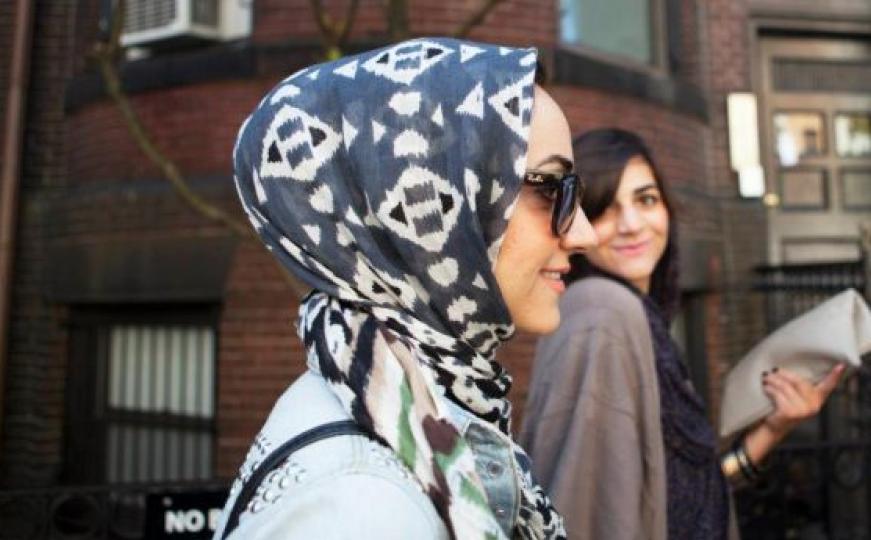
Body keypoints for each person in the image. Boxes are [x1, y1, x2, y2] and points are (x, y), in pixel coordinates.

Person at [212, 38, 598, 540]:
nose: (584, 233)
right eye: (548, 187)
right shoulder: (359, 504)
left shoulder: (418, 415)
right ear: (426, 205)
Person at [518, 128, 844, 540]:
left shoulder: (642, 319)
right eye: (605, 208)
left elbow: (682, 496)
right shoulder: (604, 312)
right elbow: (588, 514)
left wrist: (773, 429)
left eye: (646, 200)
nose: (632, 225)